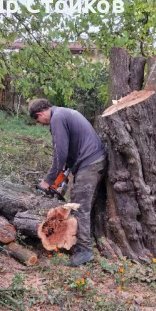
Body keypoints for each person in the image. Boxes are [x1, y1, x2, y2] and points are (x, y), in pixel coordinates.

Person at [28, 98, 107, 266]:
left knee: (78, 207)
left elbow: (60, 152)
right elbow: (69, 150)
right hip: (94, 159)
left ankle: (85, 250)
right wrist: (65, 171)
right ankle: (85, 239)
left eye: (39, 121)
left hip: (89, 162)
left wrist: (47, 181)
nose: (41, 124)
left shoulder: (57, 118)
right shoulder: (64, 112)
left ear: (39, 114)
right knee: (85, 204)